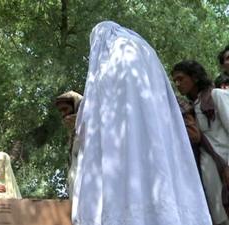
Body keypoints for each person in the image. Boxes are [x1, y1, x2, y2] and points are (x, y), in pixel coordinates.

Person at [72, 21, 212, 225]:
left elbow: (92, 117)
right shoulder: (142, 51)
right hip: (156, 145)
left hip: (120, 148)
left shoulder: (108, 59)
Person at [172, 60, 229, 225]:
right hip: (211, 175)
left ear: (195, 77)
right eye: (175, 80)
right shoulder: (190, 108)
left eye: (181, 78)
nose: (177, 83)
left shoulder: (216, 96)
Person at [55, 90, 83, 198]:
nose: (63, 114)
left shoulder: (91, 129)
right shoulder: (72, 134)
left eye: (65, 109)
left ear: (76, 107)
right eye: (60, 111)